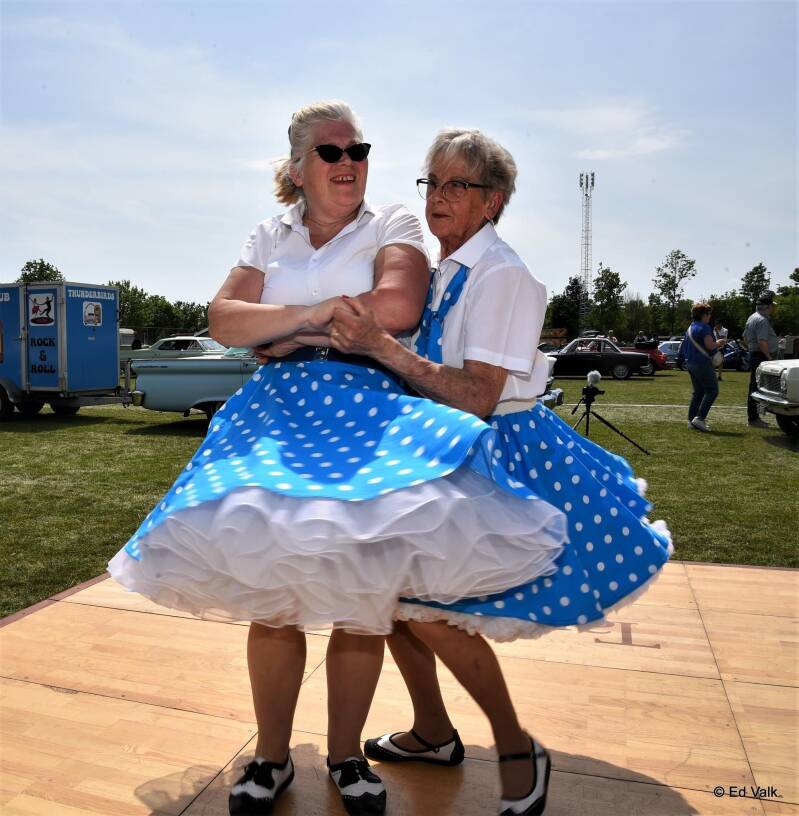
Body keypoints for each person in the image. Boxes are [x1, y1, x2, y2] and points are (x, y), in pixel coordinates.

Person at [107, 107, 572, 816]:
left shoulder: (392, 223)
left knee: (366, 599)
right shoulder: (270, 233)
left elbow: (399, 306)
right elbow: (224, 319)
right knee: (273, 593)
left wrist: (287, 323)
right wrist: (317, 319)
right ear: (298, 169)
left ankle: (347, 754)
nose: (348, 160)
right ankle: (271, 756)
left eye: (358, 148)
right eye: (330, 152)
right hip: (274, 415)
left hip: (364, 411)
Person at [328, 128, 671, 816]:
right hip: (442, 447)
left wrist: (381, 349)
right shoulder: (444, 271)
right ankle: (433, 732)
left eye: (458, 184)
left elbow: (478, 395)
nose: (439, 196)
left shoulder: (502, 275)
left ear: (493, 202)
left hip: (495, 449)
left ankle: (516, 747)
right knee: (391, 597)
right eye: (432, 182)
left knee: (425, 609)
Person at [681, 302, 726, 432]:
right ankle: (700, 418)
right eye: (709, 313)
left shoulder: (690, 327)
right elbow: (710, 345)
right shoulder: (704, 327)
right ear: (703, 314)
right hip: (702, 362)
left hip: (690, 363)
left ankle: (691, 420)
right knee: (712, 391)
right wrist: (719, 343)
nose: (710, 316)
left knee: (698, 392)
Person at [743, 290, 779, 428]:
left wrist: (752, 349)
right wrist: (769, 357)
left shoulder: (752, 317)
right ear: (768, 306)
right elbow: (762, 342)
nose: (773, 309)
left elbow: (745, 337)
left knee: (756, 387)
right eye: (772, 306)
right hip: (761, 356)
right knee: (759, 388)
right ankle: (754, 418)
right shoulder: (762, 320)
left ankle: (756, 416)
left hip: (755, 354)